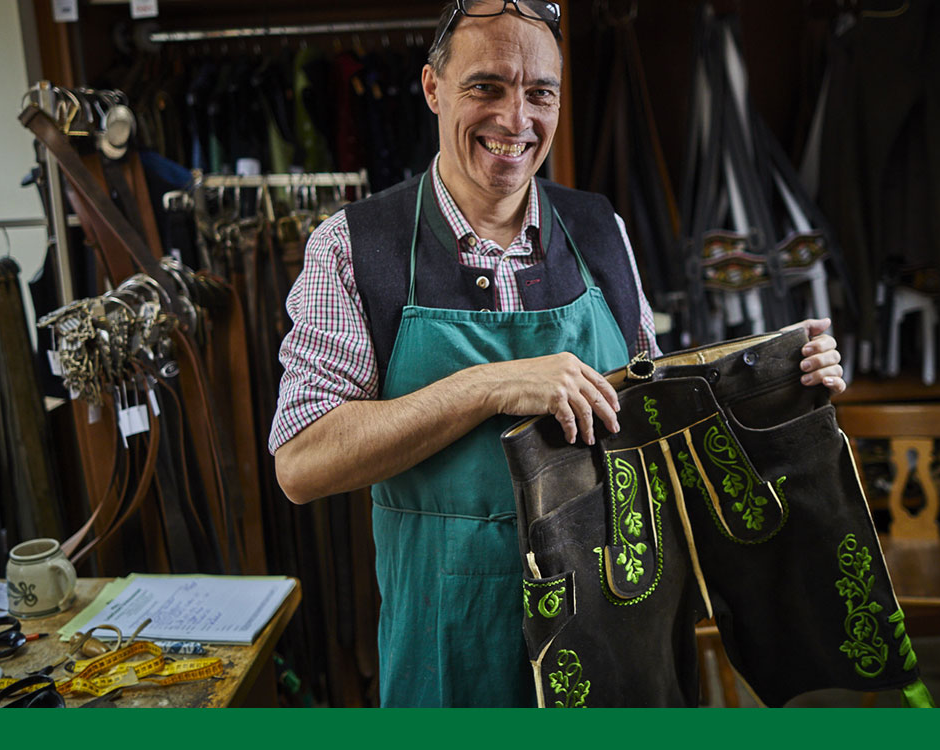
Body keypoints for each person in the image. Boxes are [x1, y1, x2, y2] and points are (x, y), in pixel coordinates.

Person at [268, 0, 845, 707]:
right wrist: (488, 387)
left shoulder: (602, 230)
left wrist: (784, 389)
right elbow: (300, 463)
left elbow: (658, 428)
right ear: (431, 88)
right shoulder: (353, 248)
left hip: (619, 634)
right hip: (451, 650)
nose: (516, 119)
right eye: (486, 86)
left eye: (540, 92)